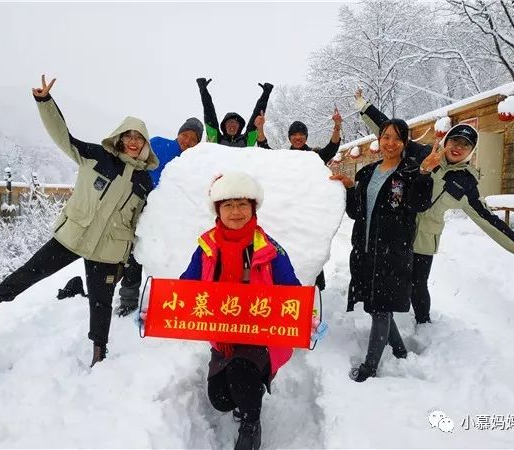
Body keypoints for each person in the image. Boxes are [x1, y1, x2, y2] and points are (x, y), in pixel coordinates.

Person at [0, 75, 159, 368]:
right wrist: (45, 102)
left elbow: (144, 223)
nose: (132, 142)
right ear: (120, 137)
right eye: (128, 136)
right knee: (29, 273)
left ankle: (99, 353)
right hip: (73, 236)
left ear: (145, 145)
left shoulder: (144, 182)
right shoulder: (97, 156)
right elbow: (62, 135)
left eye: (138, 138)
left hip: (108, 251)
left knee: (101, 303)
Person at [179, 172, 300, 450]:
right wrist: (159, 310)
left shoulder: (269, 248)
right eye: (228, 205)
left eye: (242, 204)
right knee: (221, 399)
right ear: (218, 210)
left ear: (253, 208)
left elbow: (291, 288)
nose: (236, 212)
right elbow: (187, 286)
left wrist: (308, 317)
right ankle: (247, 392)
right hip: (222, 333)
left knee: (241, 374)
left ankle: (250, 423)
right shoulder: (207, 247)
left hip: (260, 333)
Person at [331, 119, 431, 382]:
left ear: (405, 143)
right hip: (366, 251)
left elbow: (420, 204)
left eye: (397, 139)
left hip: (393, 252)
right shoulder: (367, 172)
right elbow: (356, 212)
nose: (390, 143)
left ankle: (370, 367)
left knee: (381, 307)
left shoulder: (410, 172)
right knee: (378, 304)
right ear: (379, 138)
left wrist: (424, 175)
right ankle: (399, 351)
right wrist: (351, 187)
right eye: (385, 137)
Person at [410, 124, 514, 324]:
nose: (458, 147)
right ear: (446, 140)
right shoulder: (426, 153)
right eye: (455, 140)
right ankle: (388, 317)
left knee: (418, 284)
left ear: (471, 151)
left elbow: (487, 218)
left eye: (465, 145)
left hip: (426, 238)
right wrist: (364, 108)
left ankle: (423, 323)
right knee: (393, 276)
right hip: (400, 228)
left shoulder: (466, 183)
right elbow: (393, 135)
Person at [115, 117, 204, 317]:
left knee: (160, 253)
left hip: (165, 214)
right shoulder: (157, 144)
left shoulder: (194, 160)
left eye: (193, 140)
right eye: (185, 135)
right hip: (138, 205)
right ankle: (128, 298)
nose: (187, 141)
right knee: (132, 251)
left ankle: (169, 299)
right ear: (179, 133)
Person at [256, 109, 343, 291]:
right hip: (287, 214)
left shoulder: (314, 156)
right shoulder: (283, 157)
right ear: (289, 137)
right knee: (289, 252)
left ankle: (314, 292)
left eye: (301, 134)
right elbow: (264, 150)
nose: (298, 138)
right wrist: (260, 128)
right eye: (294, 134)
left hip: (309, 213)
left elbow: (332, 148)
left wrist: (337, 126)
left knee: (309, 250)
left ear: (306, 136)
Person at [354, 88, 431, 163]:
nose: (390, 143)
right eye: (386, 138)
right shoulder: (420, 153)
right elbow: (384, 125)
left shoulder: (421, 156)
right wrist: (364, 106)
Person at [196, 77, 273, 147]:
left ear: (239, 127)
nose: (232, 125)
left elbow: (256, 118)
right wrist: (203, 90)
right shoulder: (216, 140)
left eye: (235, 123)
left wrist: (265, 94)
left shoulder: (247, 141)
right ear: (224, 126)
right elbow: (210, 113)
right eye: (229, 122)